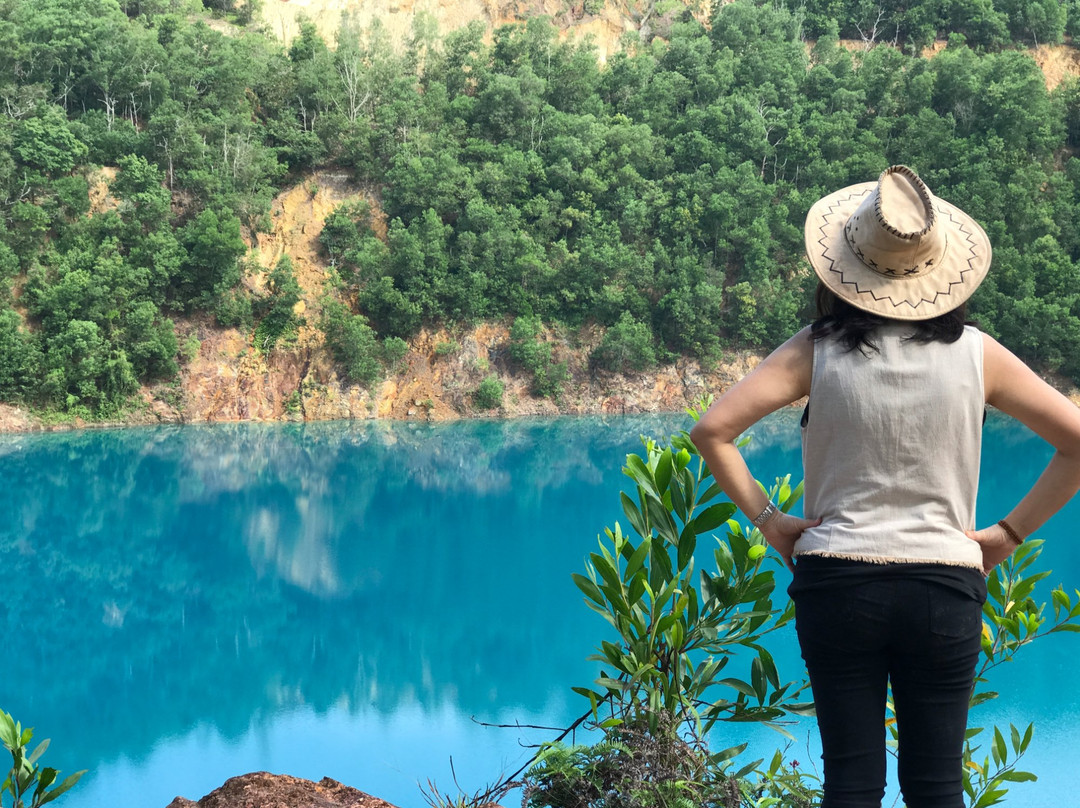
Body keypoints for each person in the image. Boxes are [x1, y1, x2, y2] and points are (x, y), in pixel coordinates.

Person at [689, 165, 1080, 808]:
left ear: (845, 265)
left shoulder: (816, 350)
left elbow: (713, 433)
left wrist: (772, 522)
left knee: (850, 785)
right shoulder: (980, 356)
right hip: (945, 589)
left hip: (836, 583)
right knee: (936, 789)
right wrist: (1007, 535)